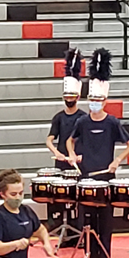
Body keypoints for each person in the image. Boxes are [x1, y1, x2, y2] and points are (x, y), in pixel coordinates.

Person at [66, 48, 129, 258]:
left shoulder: (112, 122)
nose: (94, 103)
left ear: (105, 101)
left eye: (98, 100)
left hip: (106, 177)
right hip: (86, 176)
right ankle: (88, 253)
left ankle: (104, 256)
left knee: (105, 221)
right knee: (87, 219)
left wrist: (116, 161)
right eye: (92, 99)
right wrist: (71, 155)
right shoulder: (82, 121)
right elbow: (70, 140)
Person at [45, 48, 85, 246]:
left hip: (77, 164)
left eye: (72, 96)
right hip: (62, 164)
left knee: (77, 200)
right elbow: (49, 139)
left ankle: (77, 232)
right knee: (60, 199)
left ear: (77, 97)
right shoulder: (59, 117)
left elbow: (84, 142)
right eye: (66, 96)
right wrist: (57, 154)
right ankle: (62, 228)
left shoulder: (83, 117)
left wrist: (78, 156)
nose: (68, 100)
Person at [0, 170, 55, 258]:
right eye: (13, 194)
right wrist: (16, 244)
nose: (18, 197)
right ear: (3, 195)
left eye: (20, 193)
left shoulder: (26, 211)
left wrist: (47, 244)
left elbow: (41, 230)